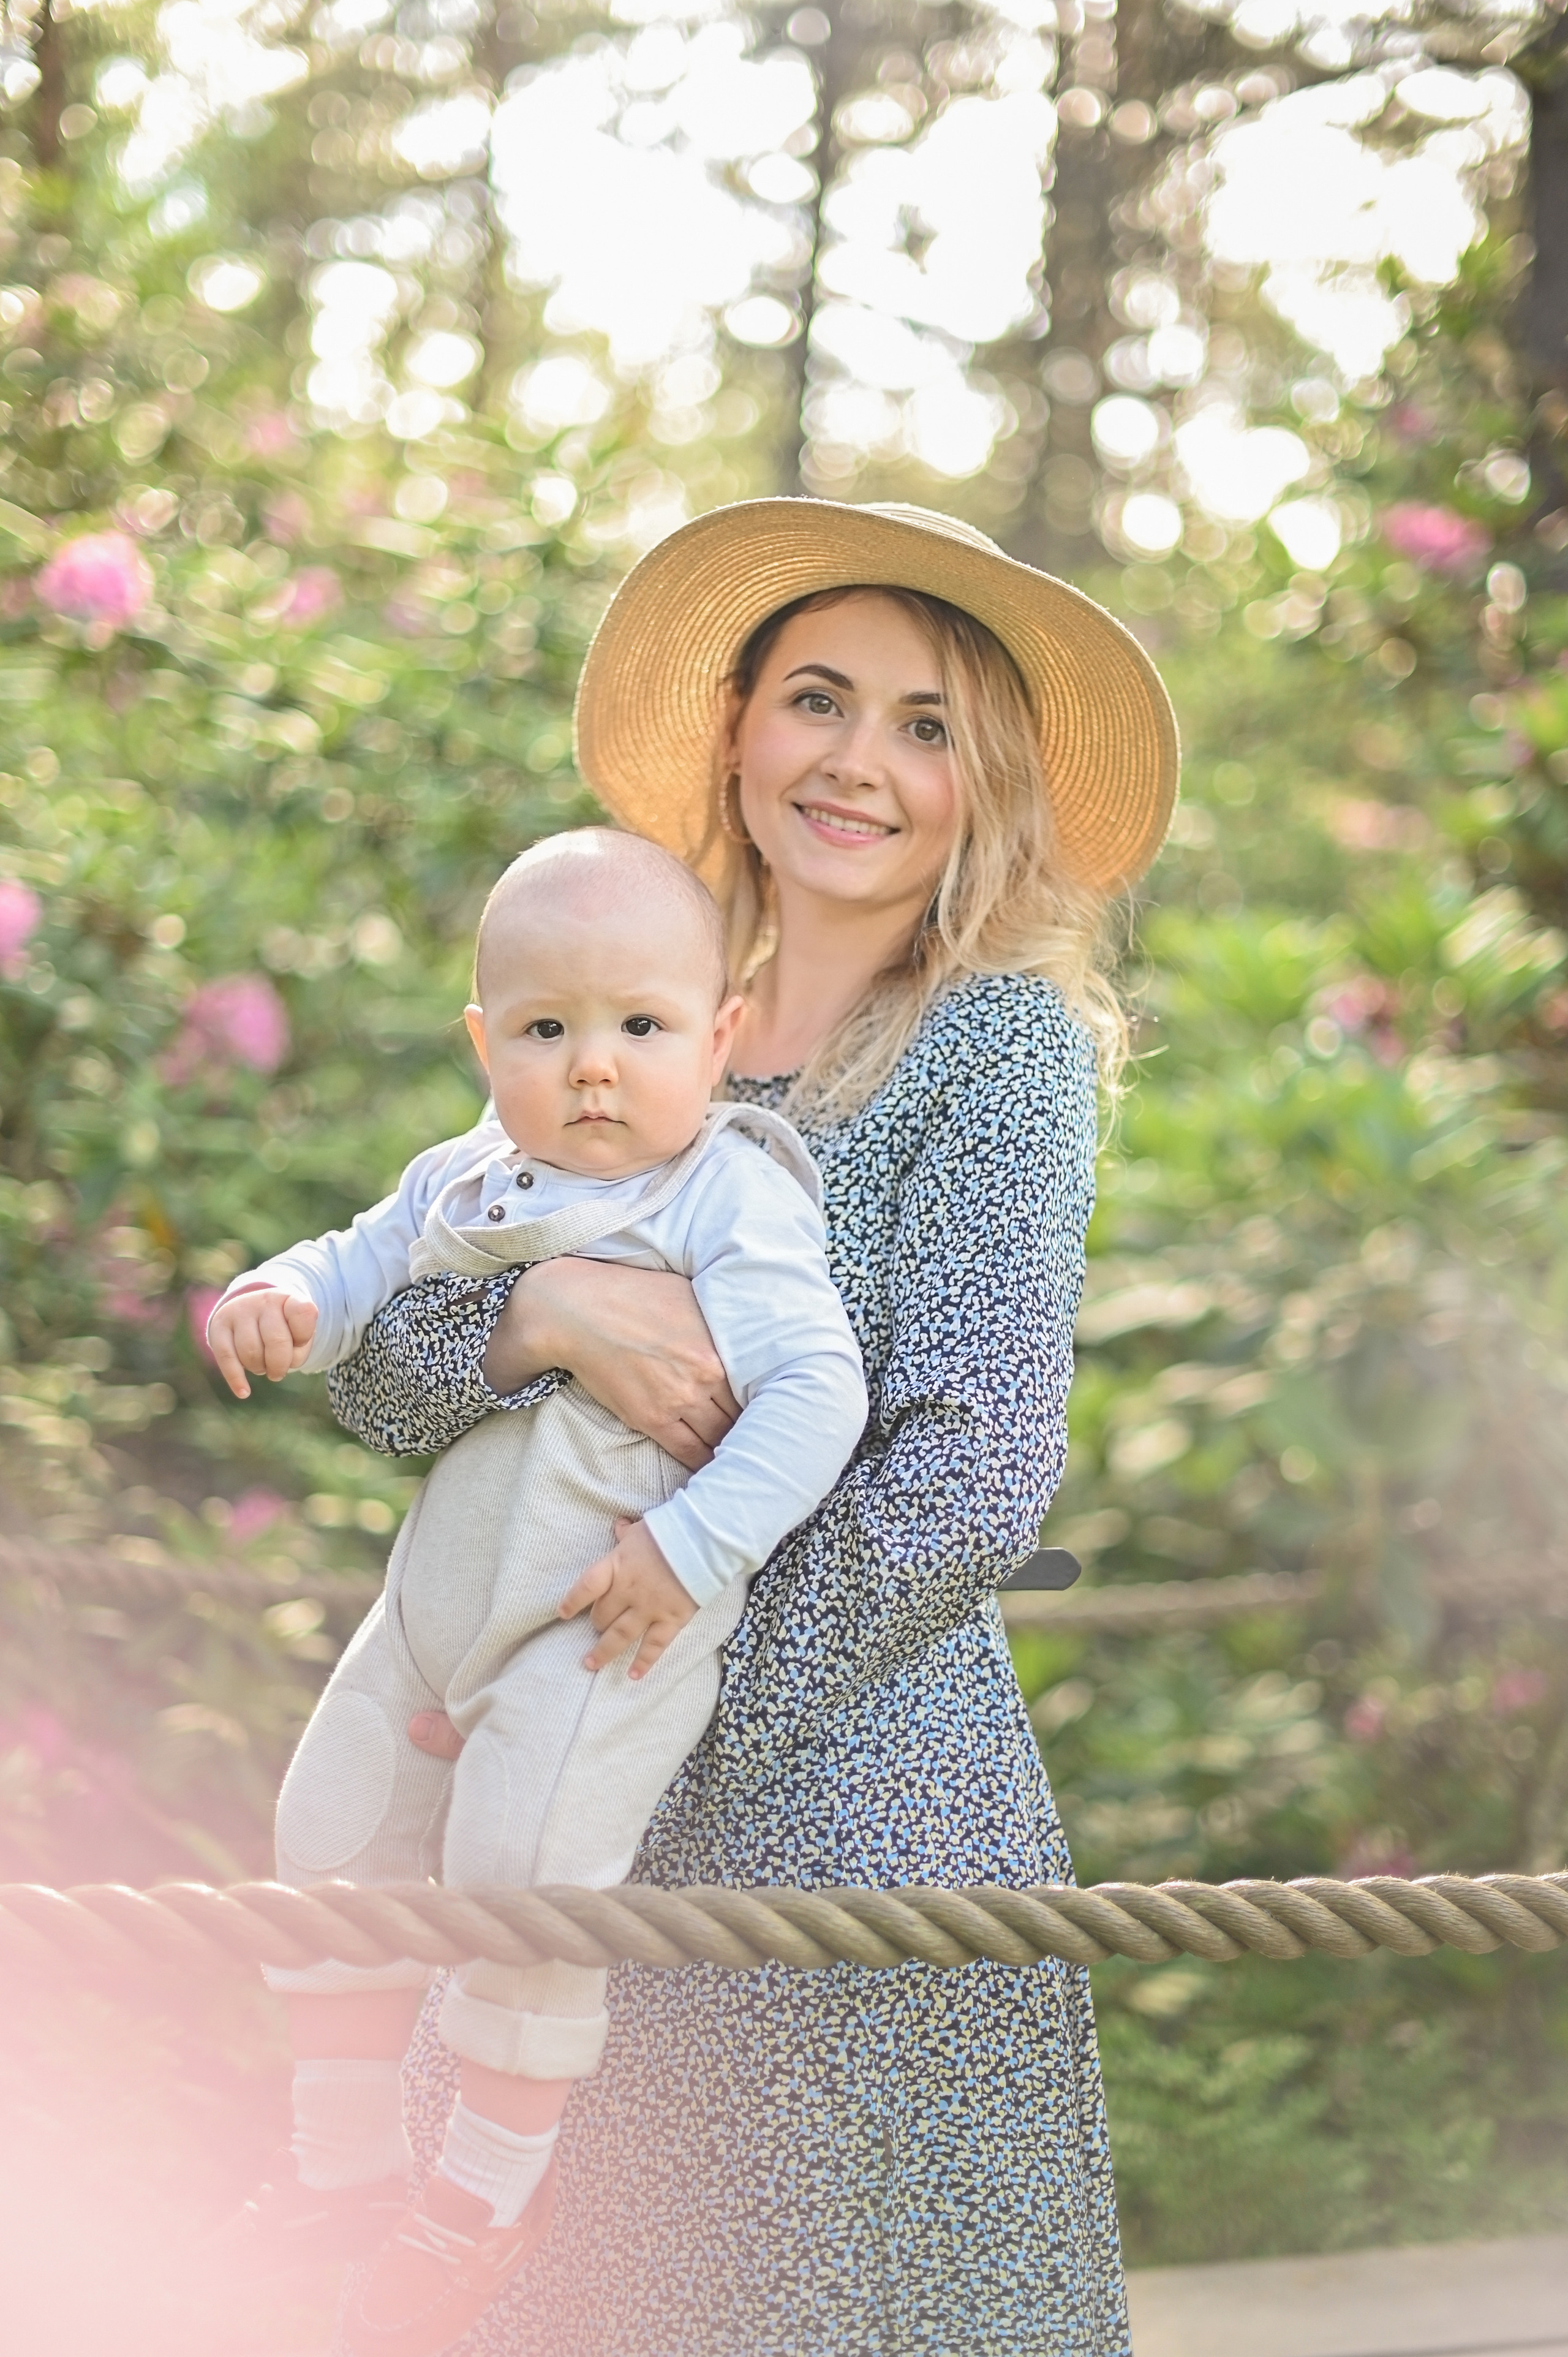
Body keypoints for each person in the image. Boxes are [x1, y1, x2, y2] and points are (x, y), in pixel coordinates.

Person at [325, 499, 1179, 2356]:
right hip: (539, 1789)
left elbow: (972, 1471)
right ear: (736, 726)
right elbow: (381, 1367)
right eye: (819, 698)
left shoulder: (992, 1042)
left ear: (986, 784)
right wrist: (540, 1316)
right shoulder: (629, 982)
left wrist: (647, 1699)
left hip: (839, 1814)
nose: (861, 762)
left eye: (927, 724)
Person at [205, 830, 867, 2357]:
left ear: (715, 1037)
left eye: (639, 1027)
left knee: (518, 1894)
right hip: (433, 1613)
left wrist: (688, 1551)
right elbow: (362, 1272)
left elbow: (812, 1396)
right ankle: (343, 2172)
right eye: (545, 1028)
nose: (592, 1068)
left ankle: (477, 2208)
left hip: (597, 1621)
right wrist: (286, 1298)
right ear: (483, 1040)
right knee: (330, 1836)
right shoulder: (464, 1175)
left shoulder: (727, 1201)